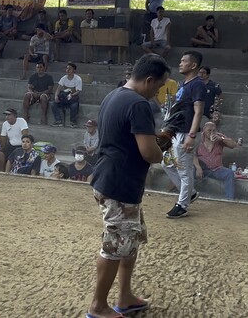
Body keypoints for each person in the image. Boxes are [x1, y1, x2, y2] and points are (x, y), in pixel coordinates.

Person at [86, 54, 169, 318]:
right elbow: (148, 152)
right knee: (114, 245)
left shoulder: (114, 96)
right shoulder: (138, 104)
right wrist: (161, 150)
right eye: (158, 86)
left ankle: (124, 296)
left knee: (128, 240)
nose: (158, 92)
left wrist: (155, 140)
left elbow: (124, 138)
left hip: (112, 179)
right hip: (120, 184)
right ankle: (98, 306)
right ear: (148, 80)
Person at [163, 51, 206, 219]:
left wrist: (192, 135)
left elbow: (199, 111)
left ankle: (182, 204)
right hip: (176, 132)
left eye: (183, 61)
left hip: (186, 132)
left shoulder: (198, 84)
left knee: (184, 169)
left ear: (193, 65)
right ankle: (190, 193)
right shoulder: (183, 84)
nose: (180, 63)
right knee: (167, 164)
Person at [193, 121, 239, 200]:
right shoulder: (198, 138)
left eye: (214, 130)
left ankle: (230, 200)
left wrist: (221, 139)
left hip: (217, 169)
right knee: (190, 171)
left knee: (229, 173)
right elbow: (192, 154)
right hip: (202, 169)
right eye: (209, 130)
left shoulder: (220, 137)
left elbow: (234, 145)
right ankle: (189, 195)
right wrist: (198, 167)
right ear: (204, 130)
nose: (212, 132)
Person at [51, 62, 82, 128]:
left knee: (74, 106)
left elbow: (78, 91)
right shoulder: (63, 78)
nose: (68, 70)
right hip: (64, 97)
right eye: (67, 68)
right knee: (53, 104)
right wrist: (56, 96)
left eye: (70, 69)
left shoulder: (78, 79)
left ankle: (73, 122)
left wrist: (72, 95)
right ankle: (58, 121)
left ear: (74, 70)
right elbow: (58, 89)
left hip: (73, 98)